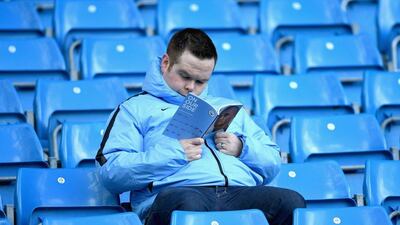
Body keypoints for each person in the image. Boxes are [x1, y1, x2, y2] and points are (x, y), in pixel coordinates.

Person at [96, 28, 305, 225]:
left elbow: (272, 163)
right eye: (185, 76)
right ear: (165, 63)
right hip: (176, 193)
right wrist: (174, 153)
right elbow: (111, 172)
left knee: (290, 202)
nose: (191, 88)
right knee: (187, 203)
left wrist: (243, 149)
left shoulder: (227, 108)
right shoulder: (134, 109)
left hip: (236, 192)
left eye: (201, 81)